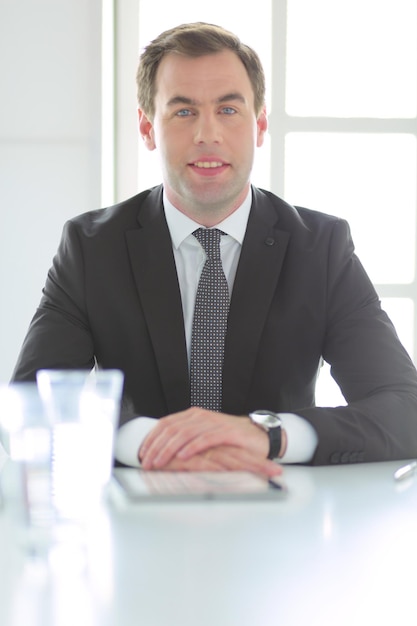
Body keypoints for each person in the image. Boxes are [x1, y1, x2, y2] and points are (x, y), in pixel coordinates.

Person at [12, 22, 417, 474]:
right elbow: (31, 404)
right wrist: (147, 441)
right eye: (184, 112)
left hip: (283, 516)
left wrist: (270, 436)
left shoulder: (320, 248)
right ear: (148, 128)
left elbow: (405, 409)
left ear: (259, 124)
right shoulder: (91, 248)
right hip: (138, 519)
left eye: (228, 109)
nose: (208, 134)